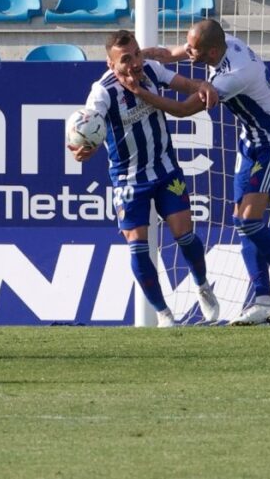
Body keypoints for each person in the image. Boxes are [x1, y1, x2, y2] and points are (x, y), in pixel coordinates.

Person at [135, 19, 270, 326]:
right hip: (250, 144)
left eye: (195, 50)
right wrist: (140, 55)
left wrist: (139, 93)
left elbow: (181, 110)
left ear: (212, 51)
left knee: (248, 220)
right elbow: (172, 53)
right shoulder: (220, 43)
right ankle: (263, 300)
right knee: (241, 222)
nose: (189, 52)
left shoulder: (235, 75)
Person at [70, 30, 221, 328]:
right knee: (137, 244)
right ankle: (164, 314)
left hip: (165, 169)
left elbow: (183, 84)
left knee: (184, 234)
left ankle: (202, 286)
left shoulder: (151, 70)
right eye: (126, 59)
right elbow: (90, 122)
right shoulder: (102, 92)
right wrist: (85, 147)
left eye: (137, 54)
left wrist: (201, 85)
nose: (135, 63)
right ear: (111, 64)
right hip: (128, 179)